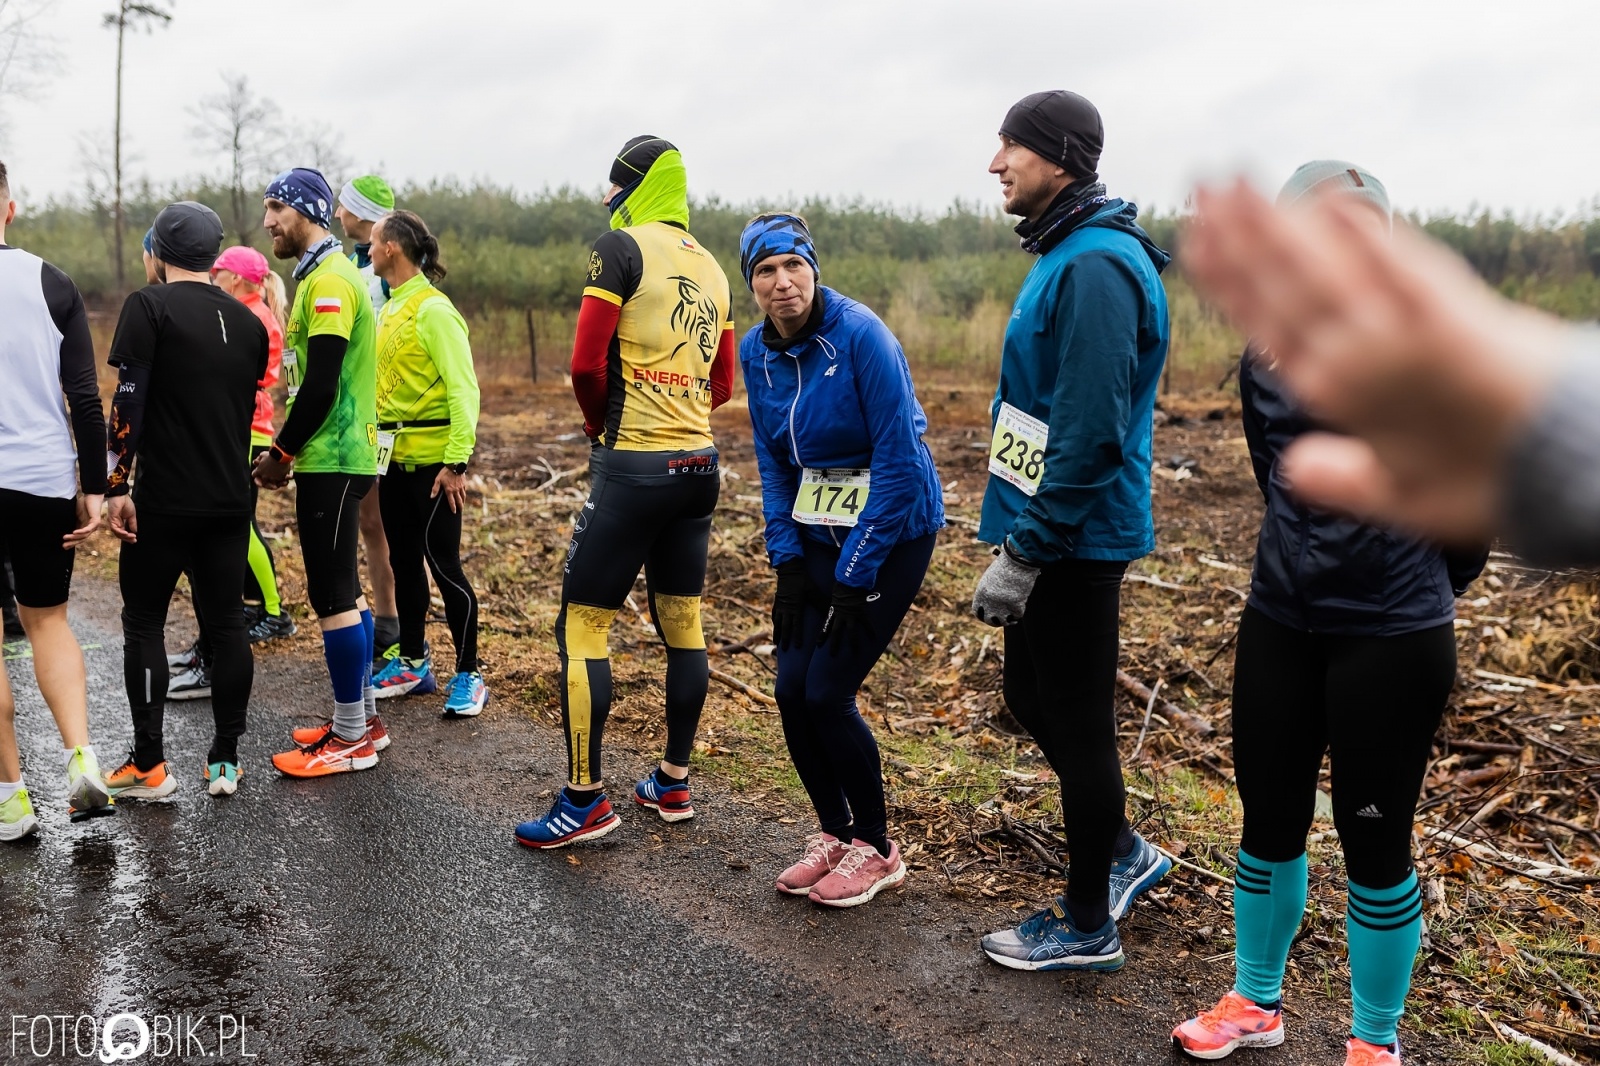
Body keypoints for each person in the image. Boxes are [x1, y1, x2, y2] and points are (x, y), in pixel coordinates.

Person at [1173, 164, 1484, 1066]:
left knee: (1373, 835)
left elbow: (1469, 514)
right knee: (1267, 818)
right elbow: (1279, 476)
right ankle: (1255, 1002)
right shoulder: (1264, 352)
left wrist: (1419, 591)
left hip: (1391, 634)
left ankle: (1374, 1044)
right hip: (1282, 618)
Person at [968, 91, 1173, 972]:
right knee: (1032, 698)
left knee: (1079, 726)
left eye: (1011, 144)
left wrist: (1028, 549)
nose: (995, 161)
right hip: (1050, 526)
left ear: (1058, 157)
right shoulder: (1065, 250)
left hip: (1075, 538)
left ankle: (1089, 922)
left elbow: (1090, 431)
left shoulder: (1095, 265)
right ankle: (1122, 849)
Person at [1182, 180, 1598, 565]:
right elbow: (1268, 467)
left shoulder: (1433, 362)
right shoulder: (1261, 357)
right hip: (1284, 598)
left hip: (1404, 610)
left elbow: (1467, 496)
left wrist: (1555, 409)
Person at [514, 136, 736, 848]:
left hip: (634, 464)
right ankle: (671, 782)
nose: (604, 202)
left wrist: (596, 422)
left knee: (581, 626)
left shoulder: (619, 250)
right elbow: (724, 384)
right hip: (699, 468)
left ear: (630, 188)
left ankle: (584, 802)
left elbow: (584, 363)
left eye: (610, 190)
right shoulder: (713, 268)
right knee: (684, 624)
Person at [737, 213, 944, 906]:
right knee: (791, 688)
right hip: (817, 538)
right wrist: (786, 562)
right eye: (765, 271)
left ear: (813, 268)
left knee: (828, 691)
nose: (782, 282)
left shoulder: (862, 338)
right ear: (753, 284)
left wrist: (858, 570)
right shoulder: (753, 353)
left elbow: (899, 464)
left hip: (894, 534)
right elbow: (772, 460)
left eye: (793, 265)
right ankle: (833, 831)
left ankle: (877, 849)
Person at [100, 201, 268, 800]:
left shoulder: (149, 306)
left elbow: (129, 405)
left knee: (143, 619)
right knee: (226, 623)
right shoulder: (248, 323)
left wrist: (115, 485)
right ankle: (225, 759)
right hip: (230, 498)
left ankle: (149, 765)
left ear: (160, 252)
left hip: (164, 499)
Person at [254, 167, 385, 777]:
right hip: (338, 453)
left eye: (276, 207)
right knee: (348, 591)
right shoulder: (320, 274)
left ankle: (351, 738)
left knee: (331, 595)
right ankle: (360, 718)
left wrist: (281, 452)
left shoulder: (330, 280)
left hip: (332, 454)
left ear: (307, 210)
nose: (268, 221)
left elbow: (323, 381)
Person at [0, 158, 115, 837]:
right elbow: (83, 397)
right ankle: (82, 761)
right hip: (42, 475)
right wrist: (95, 488)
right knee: (48, 623)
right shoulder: (51, 281)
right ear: (9, 208)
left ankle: (11, 799)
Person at [359, 210, 487, 716]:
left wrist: (457, 462)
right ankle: (413, 661)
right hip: (392, 463)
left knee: (445, 567)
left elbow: (464, 388)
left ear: (392, 247)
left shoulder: (433, 310)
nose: (367, 249)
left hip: (437, 468)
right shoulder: (390, 308)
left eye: (372, 241)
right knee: (404, 562)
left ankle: (470, 673)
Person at [166, 247, 296, 700]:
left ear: (239, 280)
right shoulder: (239, 311)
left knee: (241, 524)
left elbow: (255, 377)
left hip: (250, 431)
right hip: (237, 429)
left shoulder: (256, 317)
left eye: (218, 273)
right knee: (236, 525)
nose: (213, 279)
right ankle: (232, 623)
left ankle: (274, 611)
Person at [335, 174, 402, 666]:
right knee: (367, 520)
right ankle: (380, 619)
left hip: (389, 414)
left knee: (384, 521)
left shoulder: (388, 267)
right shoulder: (346, 266)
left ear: (359, 213)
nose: (338, 214)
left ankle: (394, 619)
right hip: (356, 411)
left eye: (343, 207)